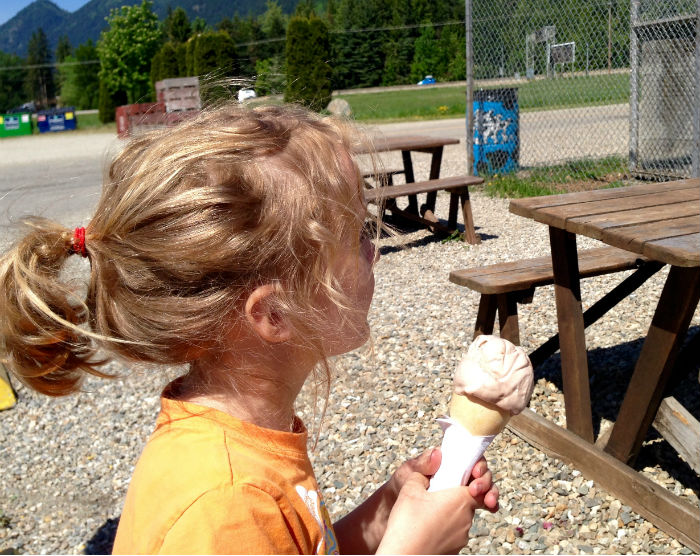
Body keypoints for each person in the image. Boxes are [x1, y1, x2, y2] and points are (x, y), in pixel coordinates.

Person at [0, 103, 499, 554]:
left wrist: (385, 515)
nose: (374, 248)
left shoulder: (246, 450)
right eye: (355, 233)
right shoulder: (224, 506)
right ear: (274, 314)